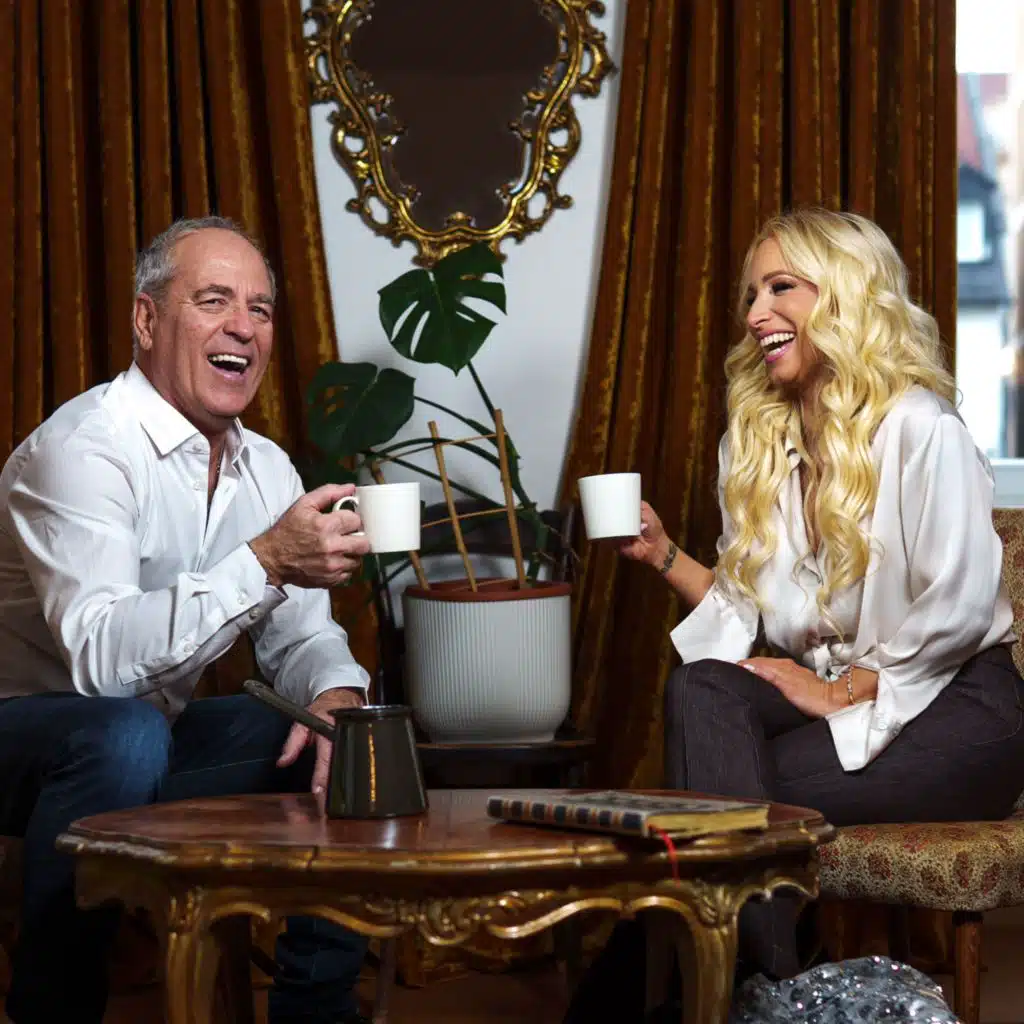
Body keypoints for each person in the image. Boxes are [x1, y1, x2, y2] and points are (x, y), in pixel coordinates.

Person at [564, 208, 1024, 1022]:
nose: (755, 314)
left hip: (961, 716)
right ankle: (771, 987)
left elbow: (957, 603)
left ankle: (692, 1001)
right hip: (848, 710)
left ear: (845, 295)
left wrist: (844, 688)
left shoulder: (921, 426)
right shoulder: (761, 446)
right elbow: (746, 614)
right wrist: (665, 556)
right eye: (751, 294)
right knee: (703, 694)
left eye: (781, 288)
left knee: (711, 809)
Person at [0, 217, 376, 1024]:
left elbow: (305, 637)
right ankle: (53, 1010)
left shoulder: (265, 467)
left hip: (148, 742)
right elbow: (101, 660)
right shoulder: (83, 449)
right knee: (123, 733)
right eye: (214, 301)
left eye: (260, 309)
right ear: (147, 320)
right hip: (20, 736)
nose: (243, 326)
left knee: (350, 737)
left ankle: (315, 1010)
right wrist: (264, 560)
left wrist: (336, 694)